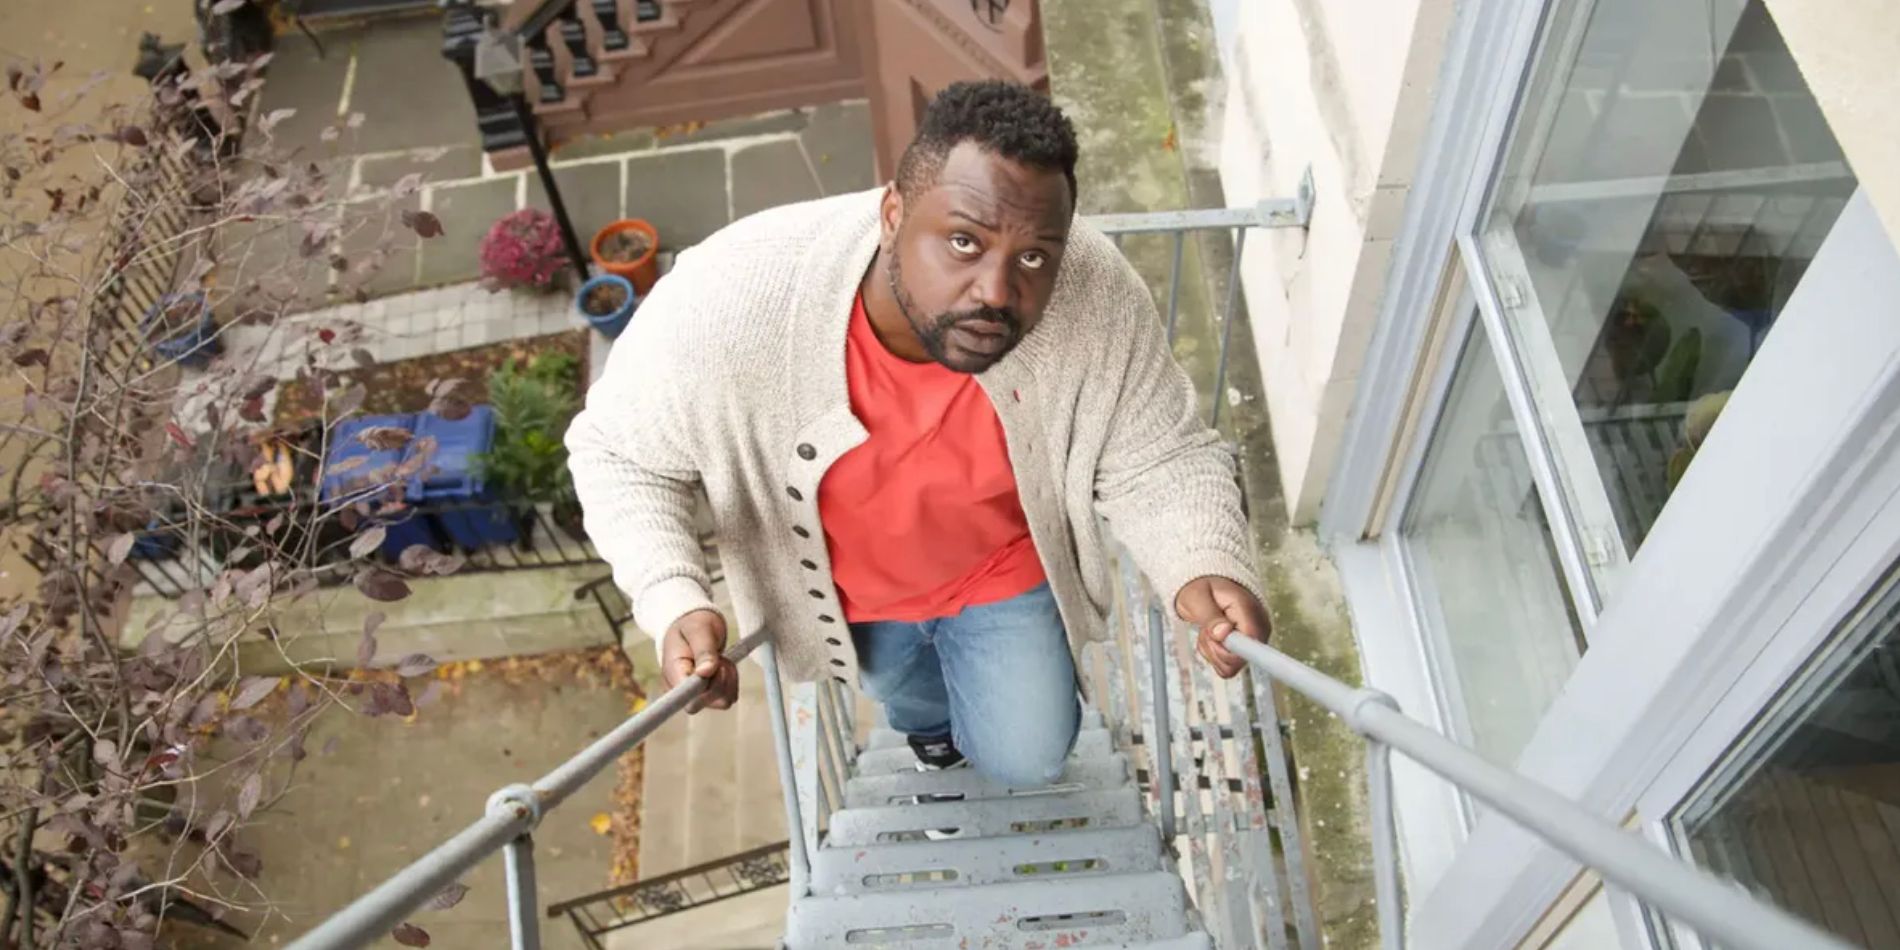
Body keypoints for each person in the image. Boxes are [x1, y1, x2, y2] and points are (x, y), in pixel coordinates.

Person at [567, 80, 1271, 789]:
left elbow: (1159, 450)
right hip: (850, 601)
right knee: (913, 704)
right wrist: (673, 597)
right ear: (894, 214)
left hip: (1001, 573)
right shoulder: (732, 296)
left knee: (1031, 756)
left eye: (1033, 258)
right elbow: (618, 455)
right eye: (963, 242)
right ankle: (934, 741)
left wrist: (1202, 557)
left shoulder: (1095, 293)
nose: (996, 290)